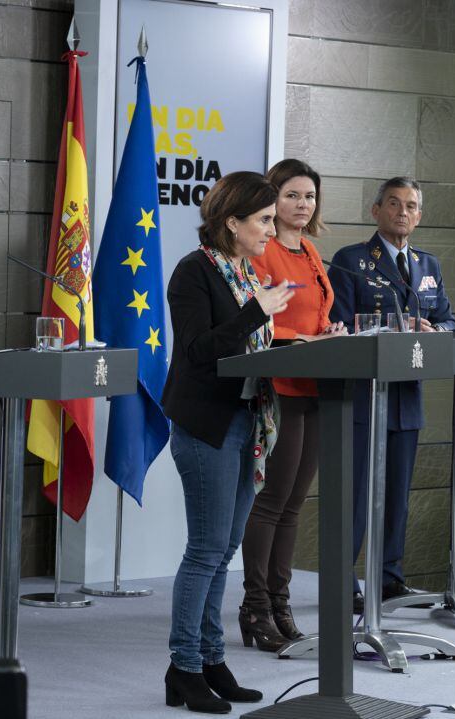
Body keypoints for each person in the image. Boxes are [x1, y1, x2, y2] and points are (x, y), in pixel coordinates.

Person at [161, 171, 293, 713]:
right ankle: (183, 668)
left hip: (247, 420)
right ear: (231, 221)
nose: (271, 228)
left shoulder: (244, 271)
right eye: (263, 219)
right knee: (206, 551)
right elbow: (198, 350)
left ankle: (212, 660)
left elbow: (250, 345)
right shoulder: (194, 272)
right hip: (205, 423)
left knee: (223, 554)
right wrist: (257, 311)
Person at [327, 177, 455, 615]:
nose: (403, 212)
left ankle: (388, 577)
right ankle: (341, 580)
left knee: (397, 494)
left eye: (412, 206)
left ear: (419, 216)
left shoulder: (428, 265)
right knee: (355, 495)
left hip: (405, 398)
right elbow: (339, 326)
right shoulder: (352, 261)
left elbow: (449, 321)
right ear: (376, 210)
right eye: (395, 204)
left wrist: (433, 330)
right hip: (363, 397)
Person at [240, 159, 345, 650]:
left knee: (295, 504)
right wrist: (296, 339)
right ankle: (255, 607)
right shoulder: (263, 252)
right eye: (292, 196)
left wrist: (331, 334)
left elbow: (318, 315)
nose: (303, 206)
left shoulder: (312, 252)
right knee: (271, 501)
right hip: (279, 386)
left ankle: (280, 603)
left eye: (310, 197)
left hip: (317, 383)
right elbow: (256, 320)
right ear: (270, 200)